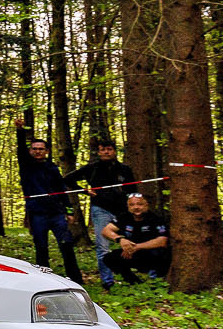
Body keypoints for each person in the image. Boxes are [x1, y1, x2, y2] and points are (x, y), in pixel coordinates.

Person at [14, 120, 83, 283]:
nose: (38, 151)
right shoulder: (26, 165)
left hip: (57, 213)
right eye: (34, 149)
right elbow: (21, 150)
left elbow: (62, 190)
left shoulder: (52, 168)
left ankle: (75, 278)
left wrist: (69, 210)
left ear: (47, 151)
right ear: (30, 151)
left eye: (41, 149)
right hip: (37, 213)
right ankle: (43, 281)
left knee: (66, 244)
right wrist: (20, 131)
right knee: (41, 247)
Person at [71, 140, 137, 286]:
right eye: (102, 150)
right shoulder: (92, 168)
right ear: (99, 152)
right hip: (100, 209)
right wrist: (84, 191)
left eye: (109, 149)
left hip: (122, 210)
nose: (106, 152)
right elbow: (68, 179)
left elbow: (133, 189)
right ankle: (107, 281)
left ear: (114, 151)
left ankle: (128, 277)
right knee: (102, 246)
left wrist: (132, 205)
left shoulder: (124, 169)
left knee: (129, 243)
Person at [102, 191, 170, 283]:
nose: (136, 207)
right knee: (110, 258)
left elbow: (162, 241)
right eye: (132, 205)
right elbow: (106, 230)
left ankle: (157, 281)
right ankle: (134, 282)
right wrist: (120, 239)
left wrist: (136, 247)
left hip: (152, 255)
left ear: (146, 205)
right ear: (128, 207)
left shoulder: (155, 218)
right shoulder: (124, 217)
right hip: (133, 253)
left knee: (163, 254)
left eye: (139, 204)